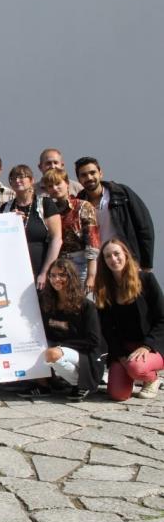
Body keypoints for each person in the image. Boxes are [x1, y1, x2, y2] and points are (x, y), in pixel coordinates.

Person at [96, 239, 164, 401]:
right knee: (118, 394)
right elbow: (106, 328)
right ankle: (131, 373)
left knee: (136, 369)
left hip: (150, 345)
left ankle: (152, 378)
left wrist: (147, 346)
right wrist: (119, 356)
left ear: (125, 255)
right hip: (123, 348)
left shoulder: (147, 280)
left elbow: (162, 318)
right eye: (107, 256)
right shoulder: (104, 288)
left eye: (116, 254)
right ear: (104, 261)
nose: (113, 259)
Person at [39, 259, 104, 401]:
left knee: (52, 354)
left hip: (85, 353)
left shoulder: (86, 306)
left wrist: (62, 347)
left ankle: (81, 384)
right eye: (52, 275)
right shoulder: (49, 303)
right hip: (63, 349)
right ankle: (46, 384)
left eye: (62, 275)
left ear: (71, 277)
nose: (57, 279)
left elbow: (93, 340)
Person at [76, 156, 154, 270]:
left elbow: (144, 227)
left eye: (93, 173)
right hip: (96, 265)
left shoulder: (121, 194)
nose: (89, 177)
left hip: (125, 260)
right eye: (84, 175)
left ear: (100, 173)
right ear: (78, 179)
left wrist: (146, 265)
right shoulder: (78, 203)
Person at [1, 165, 62, 289]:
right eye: (13, 178)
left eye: (22, 176)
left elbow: (57, 239)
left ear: (32, 180)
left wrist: (45, 272)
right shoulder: (5, 209)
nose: (17, 180)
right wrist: (10, 221)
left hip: (40, 268)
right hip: (14, 271)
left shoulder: (45, 204)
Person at [41, 168, 100, 290]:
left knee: (84, 304)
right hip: (58, 265)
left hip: (81, 263)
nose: (55, 188)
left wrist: (91, 276)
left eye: (58, 184)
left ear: (67, 183)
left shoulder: (83, 206)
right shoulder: (45, 211)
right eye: (50, 186)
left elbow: (92, 242)